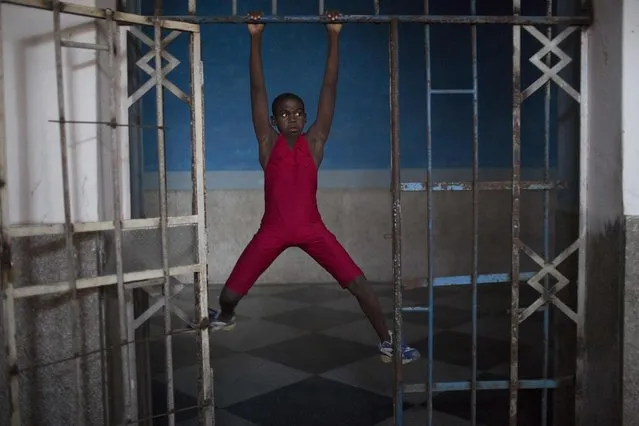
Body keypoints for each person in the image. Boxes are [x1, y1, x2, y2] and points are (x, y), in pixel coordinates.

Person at [210, 10, 420, 364]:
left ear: (306, 117)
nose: (292, 117)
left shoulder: (316, 142)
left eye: (298, 112)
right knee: (228, 296)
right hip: (272, 231)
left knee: (360, 285)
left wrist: (334, 36)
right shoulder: (267, 143)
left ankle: (387, 342)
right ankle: (227, 317)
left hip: (313, 230)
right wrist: (255, 38)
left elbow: (329, 87)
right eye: (285, 113)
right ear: (273, 120)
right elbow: (257, 88)